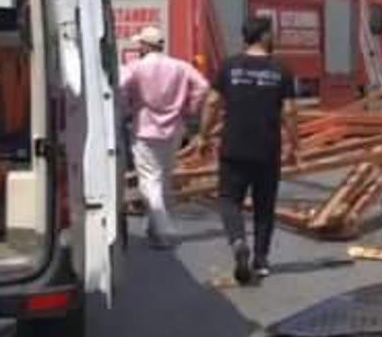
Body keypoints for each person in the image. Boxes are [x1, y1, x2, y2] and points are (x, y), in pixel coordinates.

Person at [197, 16, 300, 285]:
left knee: (229, 200)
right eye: (271, 33)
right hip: (267, 149)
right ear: (264, 35)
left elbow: (210, 103)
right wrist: (294, 144)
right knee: (264, 206)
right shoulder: (281, 69)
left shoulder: (229, 67)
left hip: (234, 147)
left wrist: (203, 135)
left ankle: (239, 242)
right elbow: (289, 112)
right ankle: (261, 260)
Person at [120, 26, 209, 249]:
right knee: (162, 178)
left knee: (149, 180)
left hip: (145, 129)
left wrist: (127, 107)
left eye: (140, 44)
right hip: (174, 129)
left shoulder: (135, 67)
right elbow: (203, 86)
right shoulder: (180, 66)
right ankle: (155, 230)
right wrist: (189, 108)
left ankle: (163, 227)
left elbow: (118, 85)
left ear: (144, 46)